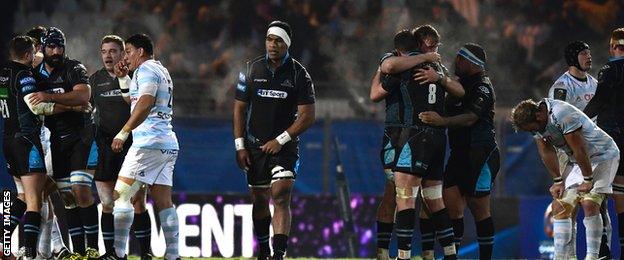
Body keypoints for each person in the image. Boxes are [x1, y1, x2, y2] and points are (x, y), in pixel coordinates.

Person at [233, 21, 315, 260]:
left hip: (285, 147)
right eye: (269, 39)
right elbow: (238, 109)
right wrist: (240, 146)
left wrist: (281, 140)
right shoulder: (250, 69)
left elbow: (308, 116)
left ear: (287, 43)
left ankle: (278, 254)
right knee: (259, 201)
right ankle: (263, 250)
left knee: (280, 194)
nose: (272, 44)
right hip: (254, 146)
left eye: (278, 40)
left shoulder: (300, 74)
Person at [101, 33, 180, 260]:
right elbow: (134, 101)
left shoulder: (146, 70)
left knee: (121, 197)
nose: (125, 56)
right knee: (164, 202)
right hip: (167, 144)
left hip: (147, 143)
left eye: (128, 51)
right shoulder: (160, 71)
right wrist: (124, 78)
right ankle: (173, 256)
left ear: (140, 52)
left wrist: (123, 133)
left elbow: (145, 103)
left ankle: (117, 253)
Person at [512, 98, 619, 259]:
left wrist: (588, 179)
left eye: (532, 129)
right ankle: (563, 256)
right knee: (560, 205)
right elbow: (546, 151)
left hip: (603, 155)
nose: (533, 132)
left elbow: (579, 148)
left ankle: (592, 256)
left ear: (539, 117)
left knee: (590, 202)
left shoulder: (562, 114)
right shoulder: (537, 123)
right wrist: (557, 181)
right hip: (576, 160)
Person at [419, 43, 499, 259]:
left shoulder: (482, 87)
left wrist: (442, 121)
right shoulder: (458, 86)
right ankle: (450, 256)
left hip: (480, 153)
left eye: (460, 59)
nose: (456, 62)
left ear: (472, 63)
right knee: (451, 208)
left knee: (480, 210)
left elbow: (471, 118)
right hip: (459, 154)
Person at [369, 29, 441, 260]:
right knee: (395, 194)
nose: (433, 52)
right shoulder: (396, 63)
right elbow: (376, 91)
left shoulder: (429, 69)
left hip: (418, 135)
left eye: (435, 47)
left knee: (423, 197)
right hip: (397, 134)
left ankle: (425, 252)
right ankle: (386, 253)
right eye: (430, 47)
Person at [30, 27, 99, 258]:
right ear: (43, 48)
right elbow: (35, 105)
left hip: (81, 136)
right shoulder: (35, 75)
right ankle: (78, 251)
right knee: (67, 197)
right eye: (52, 46)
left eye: (60, 46)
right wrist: (68, 105)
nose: (57, 51)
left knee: (80, 189)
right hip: (56, 141)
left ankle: (92, 248)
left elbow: (83, 96)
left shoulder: (74, 68)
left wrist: (49, 96)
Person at [547, 41, 613, 258]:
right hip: (569, 153)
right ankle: (567, 255)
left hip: (593, 152)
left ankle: (601, 253)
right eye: (584, 53)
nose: (589, 56)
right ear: (573, 58)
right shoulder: (561, 87)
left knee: (596, 205)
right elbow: (556, 123)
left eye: (590, 52)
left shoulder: (595, 84)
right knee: (565, 206)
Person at [89, 35, 152, 259]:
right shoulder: (94, 80)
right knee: (107, 203)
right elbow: (88, 111)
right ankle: (112, 253)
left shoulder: (135, 77)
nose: (108, 55)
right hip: (104, 145)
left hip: (132, 145)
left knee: (137, 201)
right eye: (104, 51)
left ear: (123, 54)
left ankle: (145, 253)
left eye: (113, 51)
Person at [584, 27, 624, 256]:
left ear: (612, 47)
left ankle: (601, 250)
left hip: (610, 140)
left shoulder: (609, 69)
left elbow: (599, 101)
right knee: (621, 194)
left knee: (597, 194)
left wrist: (579, 121)